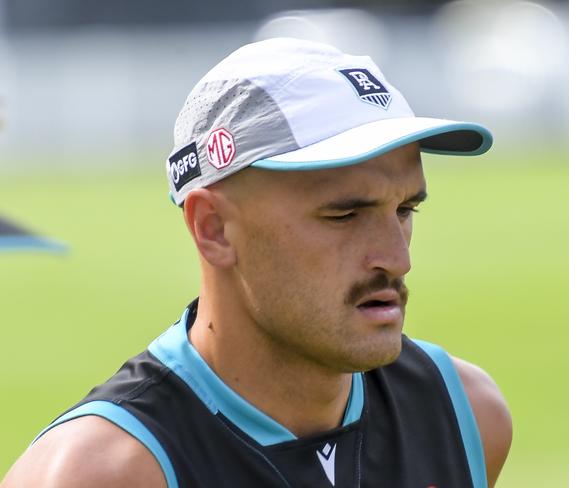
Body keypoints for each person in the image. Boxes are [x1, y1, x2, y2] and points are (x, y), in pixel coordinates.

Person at [2, 38, 511, 488]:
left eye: (405, 210)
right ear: (214, 229)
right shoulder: (103, 474)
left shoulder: (465, 414)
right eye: (344, 214)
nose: (397, 258)